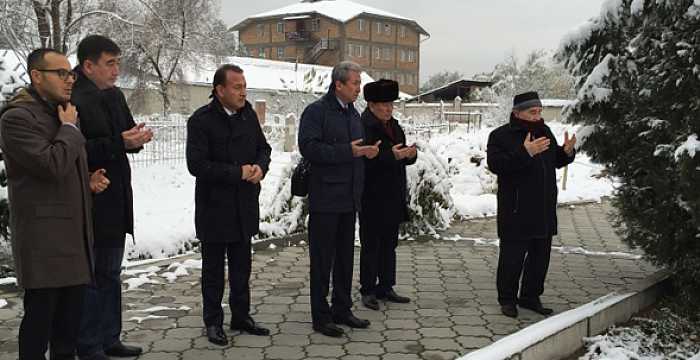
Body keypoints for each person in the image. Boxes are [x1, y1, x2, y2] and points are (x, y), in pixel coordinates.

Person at [0, 48, 109, 360]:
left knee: (67, 332)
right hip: (44, 244)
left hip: (73, 241)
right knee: (39, 327)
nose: (69, 79)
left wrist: (86, 181)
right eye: (60, 73)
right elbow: (51, 165)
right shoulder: (17, 118)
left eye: (70, 73)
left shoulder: (59, 113)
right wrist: (70, 129)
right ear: (37, 76)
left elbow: (59, 170)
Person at [71, 35, 152, 359]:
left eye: (118, 62)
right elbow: (74, 150)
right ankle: (88, 345)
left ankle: (110, 338)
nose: (117, 70)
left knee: (111, 274)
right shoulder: (73, 98)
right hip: (89, 201)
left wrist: (137, 138)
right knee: (90, 278)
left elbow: (124, 135)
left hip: (117, 199)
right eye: (110, 63)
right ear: (88, 65)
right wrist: (121, 142)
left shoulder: (115, 95)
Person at [186, 64, 272, 346]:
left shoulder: (247, 114)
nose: (242, 92)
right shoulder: (201, 120)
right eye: (237, 87)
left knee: (241, 268)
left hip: (244, 204)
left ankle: (241, 316)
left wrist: (260, 167)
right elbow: (196, 165)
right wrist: (237, 173)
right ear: (219, 90)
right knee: (213, 270)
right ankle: (213, 321)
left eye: (244, 86)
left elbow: (264, 148)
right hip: (215, 207)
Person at [298, 61, 379, 337]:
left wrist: (365, 152)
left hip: (349, 199)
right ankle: (321, 317)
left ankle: (342, 309)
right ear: (339, 85)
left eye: (359, 83)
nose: (359, 88)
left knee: (345, 259)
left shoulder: (353, 114)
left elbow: (354, 152)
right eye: (355, 83)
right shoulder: (316, 112)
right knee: (322, 261)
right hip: (325, 198)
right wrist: (348, 151)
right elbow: (309, 148)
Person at [486, 91, 577, 318]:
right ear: (517, 113)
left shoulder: (544, 131)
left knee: (539, 257)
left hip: (543, 208)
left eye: (539, 111)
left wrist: (566, 153)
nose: (537, 116)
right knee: (512, 257)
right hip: (516, 209)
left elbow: (554, 160)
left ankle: (530, 296)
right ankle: (507, 299)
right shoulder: (500, 136)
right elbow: (497, 165)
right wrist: (525, 152)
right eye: (532, 112)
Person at [358, 79, 417, 310]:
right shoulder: (363, 126)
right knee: (371, 244)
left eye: (391, 104)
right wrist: (390, 156)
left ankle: (386, 286)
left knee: (389, 243)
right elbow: (364, 160)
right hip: (371, 195)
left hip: (393, 193)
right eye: (383, 105)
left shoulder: (394, 125)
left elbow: (400, 152)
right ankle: (368, 289)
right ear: (371, 105)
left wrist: (410, 154)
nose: (388, 109)